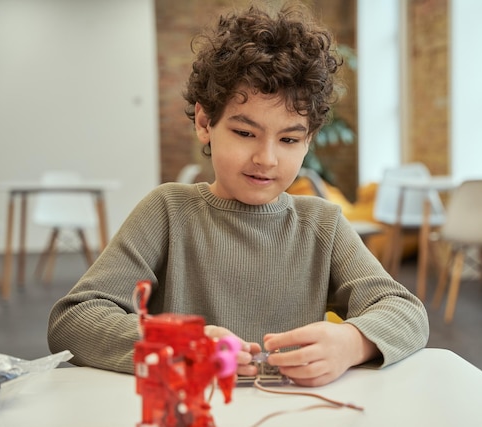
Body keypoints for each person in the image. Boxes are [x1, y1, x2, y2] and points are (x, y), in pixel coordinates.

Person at [47, 3, 428, 387]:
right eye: (245, 133)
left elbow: (405, 312)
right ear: (204, 122)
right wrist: (179, 344)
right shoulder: (167, 212)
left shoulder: (322, 224)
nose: (266, 158)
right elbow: (74, 320)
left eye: (290, 139)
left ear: (308, 140)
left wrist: (352, 342)